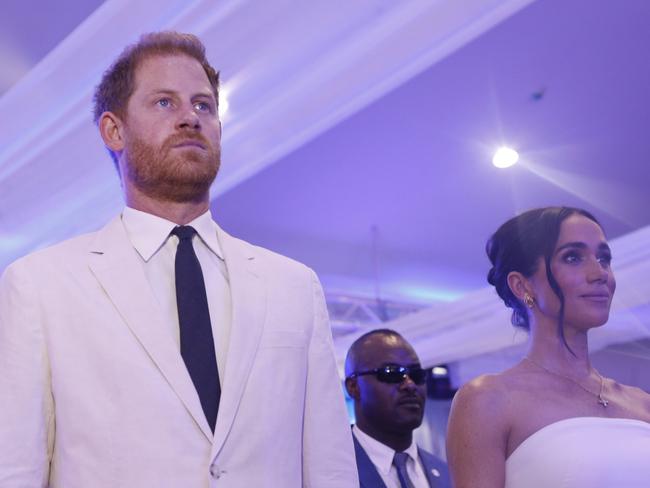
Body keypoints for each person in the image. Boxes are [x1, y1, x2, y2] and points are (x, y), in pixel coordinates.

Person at [0, 31, 358, 487]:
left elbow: (330, 469)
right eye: (165, 103)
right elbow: (14, 470)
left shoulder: (293, 286)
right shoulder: (41, 285)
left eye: (203, 105)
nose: (190, 117)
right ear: (114, 130)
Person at [446, 206, 650, 487]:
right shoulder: (487, 400)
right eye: (573, 257)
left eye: (604, 258)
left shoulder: (642, 402)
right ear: (522, 286)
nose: (600, 273)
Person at [344, 329, 450, 488]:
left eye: (416, 375)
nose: (410, 385)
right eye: (391, 373)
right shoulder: (331, 469)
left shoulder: (447, 473)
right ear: (354, 387)